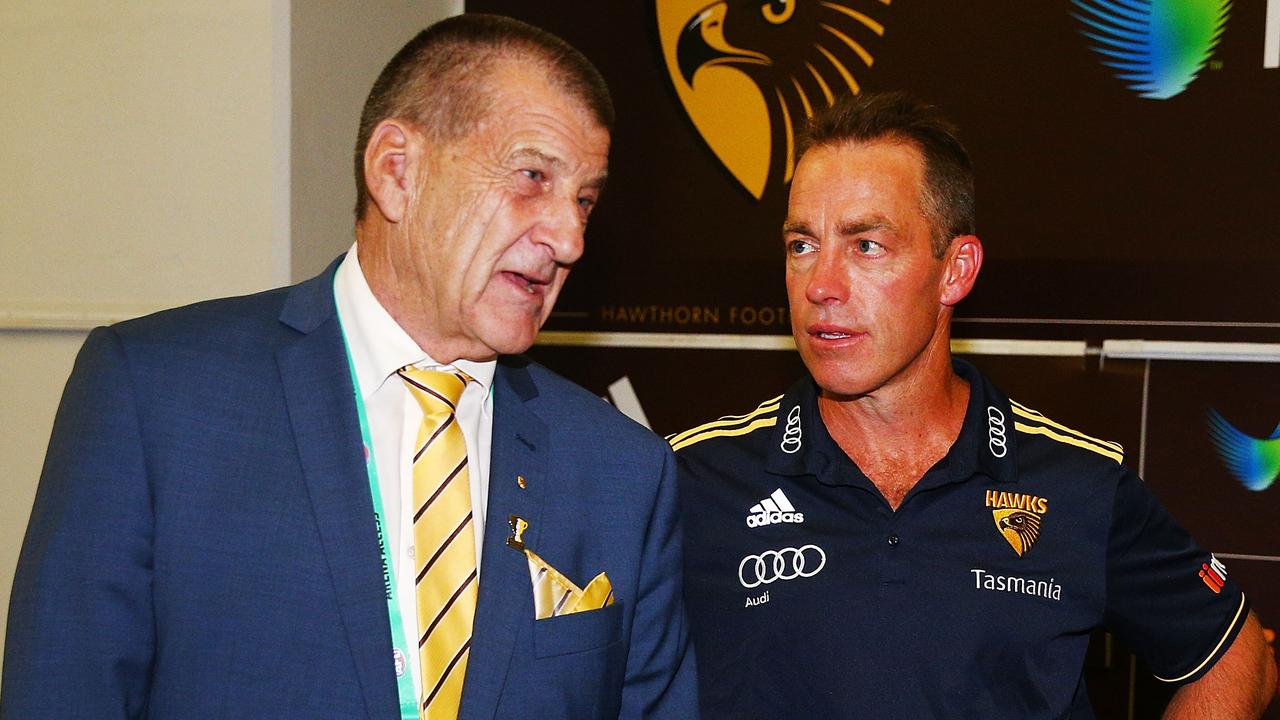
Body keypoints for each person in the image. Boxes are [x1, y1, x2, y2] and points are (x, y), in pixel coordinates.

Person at [3, 14, 696, 719]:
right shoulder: (157, 399)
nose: (570, 238)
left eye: (584, 199)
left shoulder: (621, 473)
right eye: (531, 178)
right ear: (396, 171)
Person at [672, 91, 1275, 719]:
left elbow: (1237, 659)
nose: (821, 285)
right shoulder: (692, 479)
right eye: (801, 245)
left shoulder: (1077, 483)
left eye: (866, 245)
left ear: (956, 269)